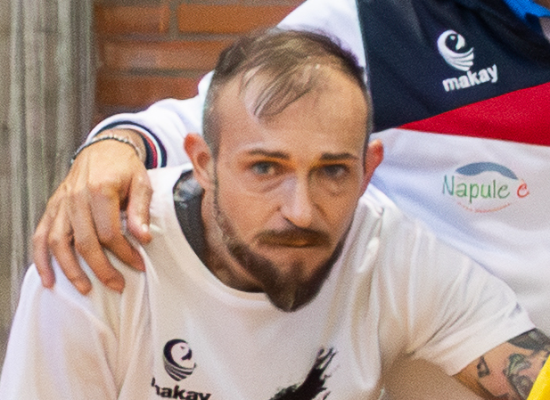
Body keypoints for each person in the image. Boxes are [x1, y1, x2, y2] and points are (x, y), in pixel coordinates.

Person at [1, 29, 548, 400]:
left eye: (332, 171)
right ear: (204, 164)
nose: (301, 211)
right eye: (265, 168)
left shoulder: (389, 252)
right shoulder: (98, 262)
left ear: (368, 170)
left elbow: (529, 370)